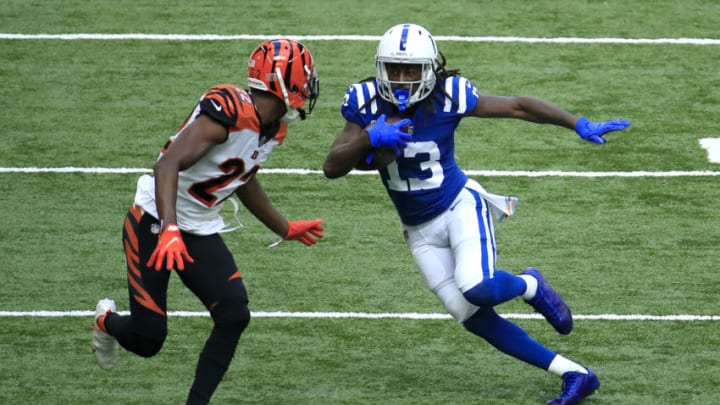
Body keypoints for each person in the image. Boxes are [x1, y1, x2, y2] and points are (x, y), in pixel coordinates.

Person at [323, 23, 630, 405]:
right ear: (380, 68)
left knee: (477, 287)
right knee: (470, 315)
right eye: (395, 69)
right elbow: (331, 167)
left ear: (431, 70)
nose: (402, 80)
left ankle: (529, 284)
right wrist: (369, 138)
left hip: (458, 206)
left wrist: (576, 122)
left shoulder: (449, 94)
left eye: (412, 70)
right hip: (417, 229)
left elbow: (517, 106)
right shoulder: (365, 100)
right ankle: (575, 373)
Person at [91, 38, 325, 405]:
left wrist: (284, 227)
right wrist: (169, 229)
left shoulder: (274, 129)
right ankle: (106, 320)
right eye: (305, 78)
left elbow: (241, 178)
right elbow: (166, 165)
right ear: (283, 81)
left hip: (197, 227)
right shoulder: (230, 110)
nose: (309, 87)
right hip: (154, 220)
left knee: (234, 314)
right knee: (149, 339)